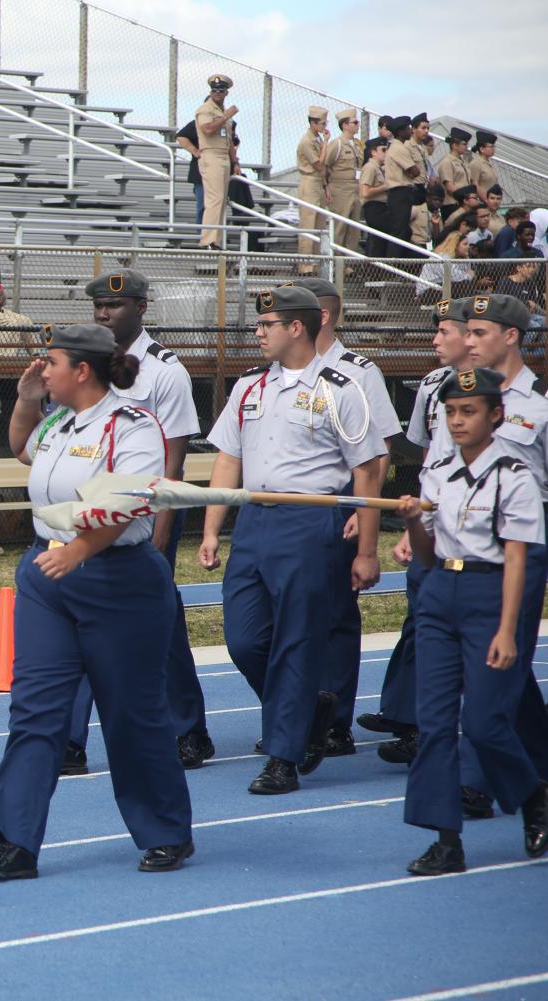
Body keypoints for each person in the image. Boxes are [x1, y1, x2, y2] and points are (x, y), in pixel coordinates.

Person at [0, 324, 194, 880]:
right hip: (48, 575)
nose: (43, 369)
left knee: (131, 714)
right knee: (35, 711)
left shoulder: (131, 425)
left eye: (51, 362)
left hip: (117, 580)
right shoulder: (58, 421)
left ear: (82, 371)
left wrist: (81, 550)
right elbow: (22, 449)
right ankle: (15, 842)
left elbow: (131, 500)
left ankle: (164, 831)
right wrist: (25, 400)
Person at [198, 286, 386, 795]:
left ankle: (283, 758)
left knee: (297, 641)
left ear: (296, 328)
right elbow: (228, 460)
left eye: (268, 324)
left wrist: (366, 550)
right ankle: (308, 710)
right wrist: (213, 526)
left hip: (309, 521)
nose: (258, 332)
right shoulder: (248, 388)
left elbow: (367, 470)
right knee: (245, 638)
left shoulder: (341, 387)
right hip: (256, 521)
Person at [397, 367, 548, 875]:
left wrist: (509, 629)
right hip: (440, 591)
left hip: (490, 592)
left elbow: (517, 560)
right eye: (451, 412)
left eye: (469, 411)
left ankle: (533, 795)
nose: (457, 421)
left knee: (484, 722)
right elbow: (425, 555)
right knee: (435, 724)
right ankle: (445, 840)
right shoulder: (437, 471)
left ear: (496, 415)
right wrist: (414, 519)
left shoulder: (514, 475)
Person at [76, 270, 211, 770]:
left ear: (141, 308)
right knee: (78, 620)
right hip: (90, 512)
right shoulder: (88, 365)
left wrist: (159, 537)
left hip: (142, 517)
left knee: (160, 624)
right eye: (98, 306)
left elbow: (172, 466)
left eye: (114, 306)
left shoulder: (163, 371)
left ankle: (188, 728)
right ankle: (71, 737)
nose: (103, 314)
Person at [292, 276, 405, 757]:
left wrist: (365, 507)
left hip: (342, 498)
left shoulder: (359, 371)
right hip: (291, 504)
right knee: (286, 616)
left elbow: (380, 450)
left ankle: (334, 720)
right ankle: (298, 712)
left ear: (320, 315)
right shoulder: (278, 371)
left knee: (337, 613)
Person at [365, 297, 477, 764]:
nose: (434, 340)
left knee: (477, 641)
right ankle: (410, 720)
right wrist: (412, 526)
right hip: (433, 525)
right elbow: (430, 460)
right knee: (422, 620)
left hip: (477, 532)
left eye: (444, 330)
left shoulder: (510, 393)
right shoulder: (432, 385)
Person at [454, 294, 548, 817]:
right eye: (465, 332)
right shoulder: (464, 398)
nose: (468, 341)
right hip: (462, 547)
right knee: (500, 666)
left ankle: (474, 780)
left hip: (520, 548)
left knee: (493, 659)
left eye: (479, 332)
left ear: (511, 335)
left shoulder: (540, 405)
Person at [195, 74, 237, 248]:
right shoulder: (206, 109)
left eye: (221, 90)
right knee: (215, 198)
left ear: (226, 92)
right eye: (214, 90)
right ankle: (208, 239)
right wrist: (226, 116)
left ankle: (215, 239)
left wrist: (235, 162)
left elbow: (228, 139)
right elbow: (208, 129)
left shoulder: (219, 110)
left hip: (223, 156)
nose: (218, 93)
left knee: (220, 200)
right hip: (211, 155)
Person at [322, 109, 365, 257]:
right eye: (355, 122)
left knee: (354, 228)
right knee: (339, 227)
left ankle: (348, 263)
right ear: (345, 125)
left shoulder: (357, 145)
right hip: (340, 188)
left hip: (355, 188)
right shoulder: (337, 144)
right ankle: (336, 262)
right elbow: (325, 165)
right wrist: (326, 186)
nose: (357, 125)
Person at [295, 107, 330, 270]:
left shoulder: (315, 139)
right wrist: (325, 143)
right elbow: (318, 164)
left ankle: (314, 261)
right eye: (322, 123)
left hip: (318, 182)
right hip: (309, 182)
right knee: (308, 223)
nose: (325, 126)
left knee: (319, 224)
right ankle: (305, 263)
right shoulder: (307, 141)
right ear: (313, 123)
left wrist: (325, 186)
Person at [384, 116, 422, 253]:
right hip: (399, 192)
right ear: (400, 132)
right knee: (399, 231)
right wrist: (412, 172)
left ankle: (397, 265)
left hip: (402, 192)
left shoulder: (398, 147)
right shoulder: (398, 148)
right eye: (407, 128)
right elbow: (415, 171)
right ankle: (392, 266)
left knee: (404, 231)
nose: (410, 131)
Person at [359, 137, 390, 257]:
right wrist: (385, 187)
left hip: (382, 207)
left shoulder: (378, 168)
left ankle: (379, 270)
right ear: (373, 152)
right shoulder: (370, 167)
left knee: (380, 241)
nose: (386, 153)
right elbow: (365, 192)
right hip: (374, 208)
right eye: (383, 150)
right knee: (379, 241)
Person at [437, 128, 472, 212]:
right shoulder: (447, 162)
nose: (466, 147)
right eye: (464, 144)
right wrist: (464, 198)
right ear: (455, 145)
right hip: (453, 204)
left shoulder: (462, 161)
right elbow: (449, 186)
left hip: (464, 203)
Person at [468, 131, 500, 198]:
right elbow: (474, 185)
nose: (493, 149)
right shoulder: (476, 163)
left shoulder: (488, 163)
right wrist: (486, 200)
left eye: (494, 146)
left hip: (490, 202)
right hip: (481, 202)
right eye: (491, 147)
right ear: (482, 149)